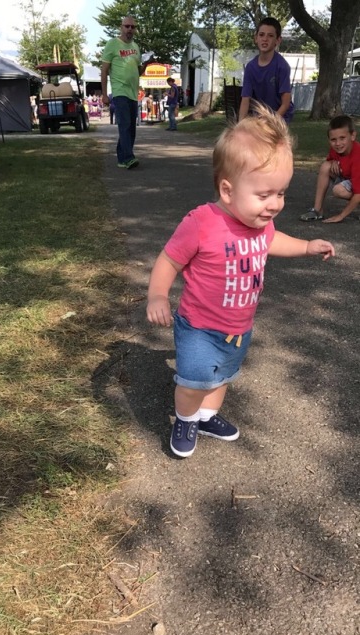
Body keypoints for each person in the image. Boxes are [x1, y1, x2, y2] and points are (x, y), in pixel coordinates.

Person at [147, 104, 334, 458]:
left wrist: (307, 246)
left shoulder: (260, 224)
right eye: (264, 195)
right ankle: (185, 418)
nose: (275, 204)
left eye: (281, 193)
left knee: (222, 378)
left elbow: (273, 242)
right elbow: (169, 260)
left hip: (239, 327)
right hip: (200, 327)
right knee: (193, 382)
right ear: (228, 190)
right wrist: (157, 295)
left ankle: (206, 416)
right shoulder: (202, 223)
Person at [101, 16, 153, 169]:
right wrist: (104, 94)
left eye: (133, 27)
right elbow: (104, 71)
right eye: (127, 26)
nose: (130, 29)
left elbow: (138, 72)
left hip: (132, 92)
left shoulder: (136, 47)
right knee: (124, 125)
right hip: (119, 91)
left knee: (131, 127)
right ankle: (129, 157)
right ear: (121, 27)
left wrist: (146, 65)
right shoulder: (112, 44)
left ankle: (121, 158)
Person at [300, 114, 360, 223]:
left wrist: (341, 216)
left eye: (342, 138)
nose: (338, 143)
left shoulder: (357, 156)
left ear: (353, 136)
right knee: (326, 166)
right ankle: (317, 210)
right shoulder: (337, 149)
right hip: (350, 179)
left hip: (357, 185)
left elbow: (358, 193)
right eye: (333, 139)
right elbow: (330, 160)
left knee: (339, 190)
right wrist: (333, 161)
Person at [239, 17, 294, 123]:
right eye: (261, 35)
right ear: (256, 38)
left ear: (278, 40)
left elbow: (286, 103)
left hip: (279, 117)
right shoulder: (250, 67)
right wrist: (240, 126)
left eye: (270, 36)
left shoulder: (282, 66)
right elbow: (245, 100)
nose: (265, 39)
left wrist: (271, 121)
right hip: (259, 116)